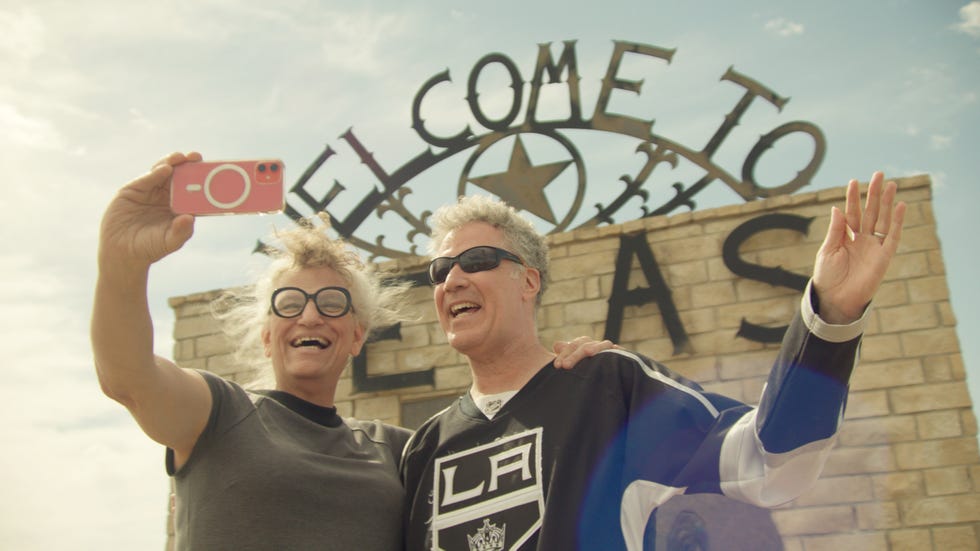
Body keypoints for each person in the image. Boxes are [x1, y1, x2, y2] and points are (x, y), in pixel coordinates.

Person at [91, 152, 608, 550]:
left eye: (332, 303)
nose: (310, 316)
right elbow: (127, 377)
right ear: (268, 333)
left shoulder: (405, 450)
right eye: (290, 303)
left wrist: (571, 372)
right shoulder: (218, 413)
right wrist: (122, 264)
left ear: (357, 335)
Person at [400, 172, 906, 550]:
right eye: (440, 270)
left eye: (478, 261)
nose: (453, 280)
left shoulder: (609, 389)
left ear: (528, 281)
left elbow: (769, 462)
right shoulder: (424, 448)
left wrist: (831, 318)